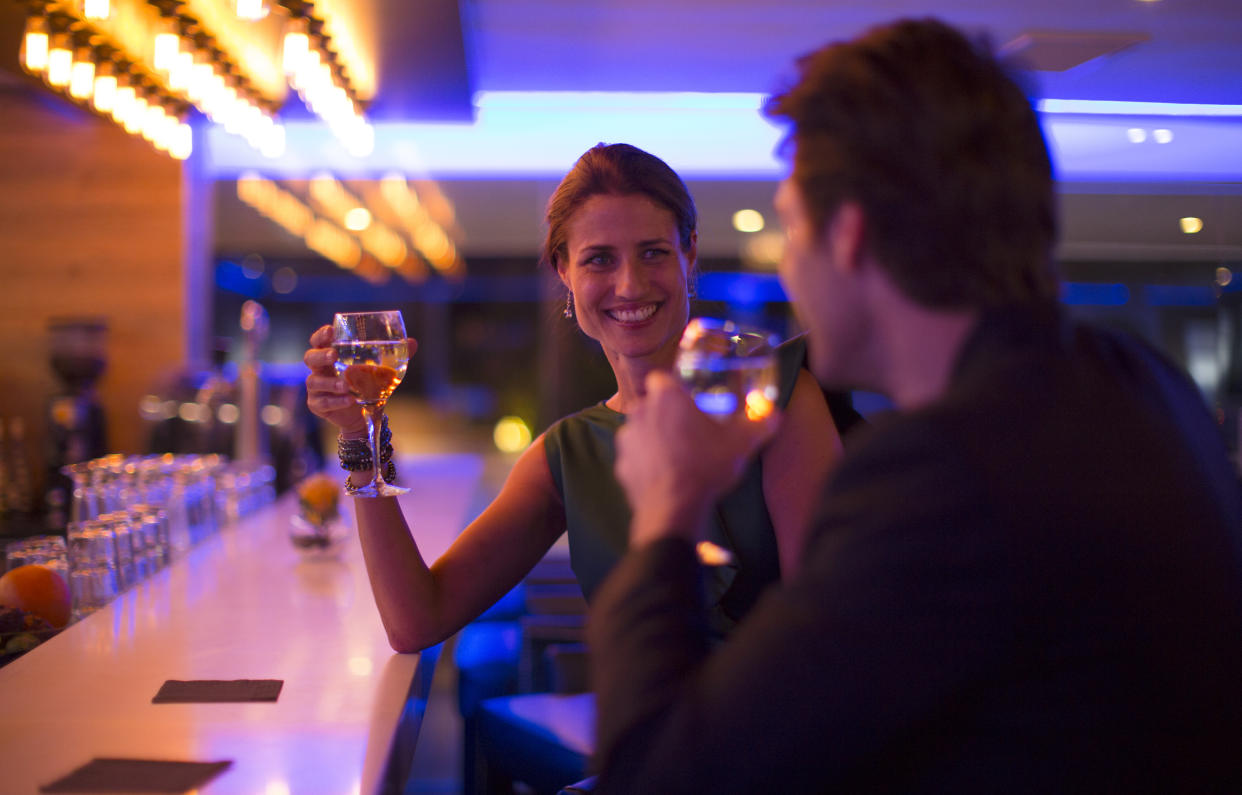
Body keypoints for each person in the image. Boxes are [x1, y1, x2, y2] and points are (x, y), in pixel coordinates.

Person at [590, 18, 1242, 793]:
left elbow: (661, 774)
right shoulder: (1142, 379)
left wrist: (669, 507)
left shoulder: (944, 475)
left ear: (852, 236)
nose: (788, 265)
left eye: (791, 228)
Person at [303, 142, 843, 655]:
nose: (629, 285)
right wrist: (359, 435)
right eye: (599, 260)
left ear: (689, 252)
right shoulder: (570, 453)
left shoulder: (769, 391)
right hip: (649, 730)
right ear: (564, 271)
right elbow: (415, 620)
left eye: (653, 253)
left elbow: (830, 625)